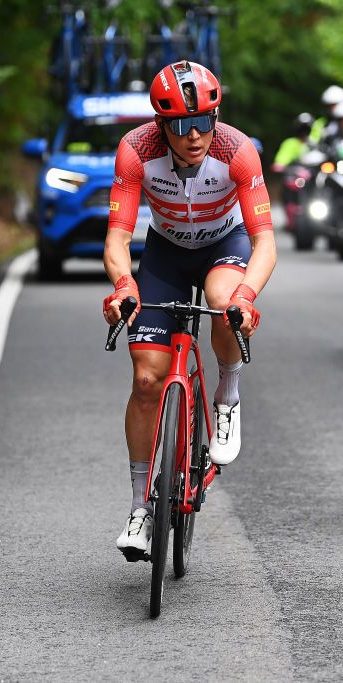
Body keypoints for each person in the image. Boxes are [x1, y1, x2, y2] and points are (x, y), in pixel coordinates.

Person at [102, 60, 278, 559]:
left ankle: (227, 394)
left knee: (224, 303)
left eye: (205, 121)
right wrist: (122, 285)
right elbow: (117, 237)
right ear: (162, 125)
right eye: (182, 125)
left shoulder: (238, 151)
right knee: (144, 380)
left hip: (227, 242)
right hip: (166, 251)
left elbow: (265, 242)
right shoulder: (136, 151)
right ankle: (140, 508)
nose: (196, 135)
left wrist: (247, 296)